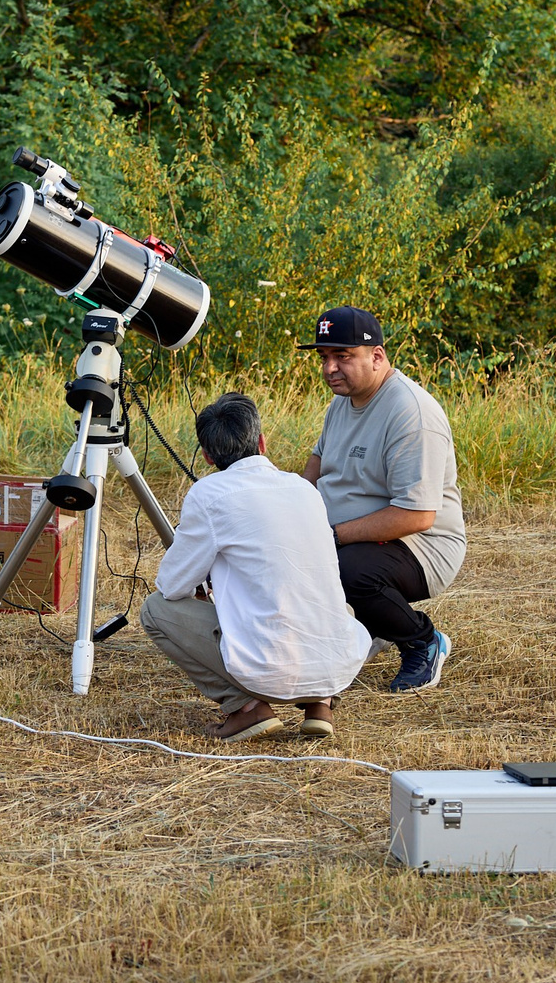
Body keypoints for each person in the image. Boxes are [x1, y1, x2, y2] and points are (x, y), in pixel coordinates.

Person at [139, 392, 373, 742]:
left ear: (206, 455)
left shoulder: (209, 494)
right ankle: (320, 703)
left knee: (155, 610)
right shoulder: (303, 488)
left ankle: (246, 708)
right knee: (328, 603)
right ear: (262, 441)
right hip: (336, 664)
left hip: (269, 669)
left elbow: (171, 586)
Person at [299, 307, 464, 693]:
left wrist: (331, 536)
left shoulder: (410, 412)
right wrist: (295, 510)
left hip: (423, 547)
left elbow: (418, 515)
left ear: (377, 356)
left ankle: (423, 642)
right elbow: (319, 460)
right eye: (324, 357)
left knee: (348, 571)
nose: (329, 369)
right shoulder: (343, 400)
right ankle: (365, 629)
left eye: (343, 356)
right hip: (355, 537)